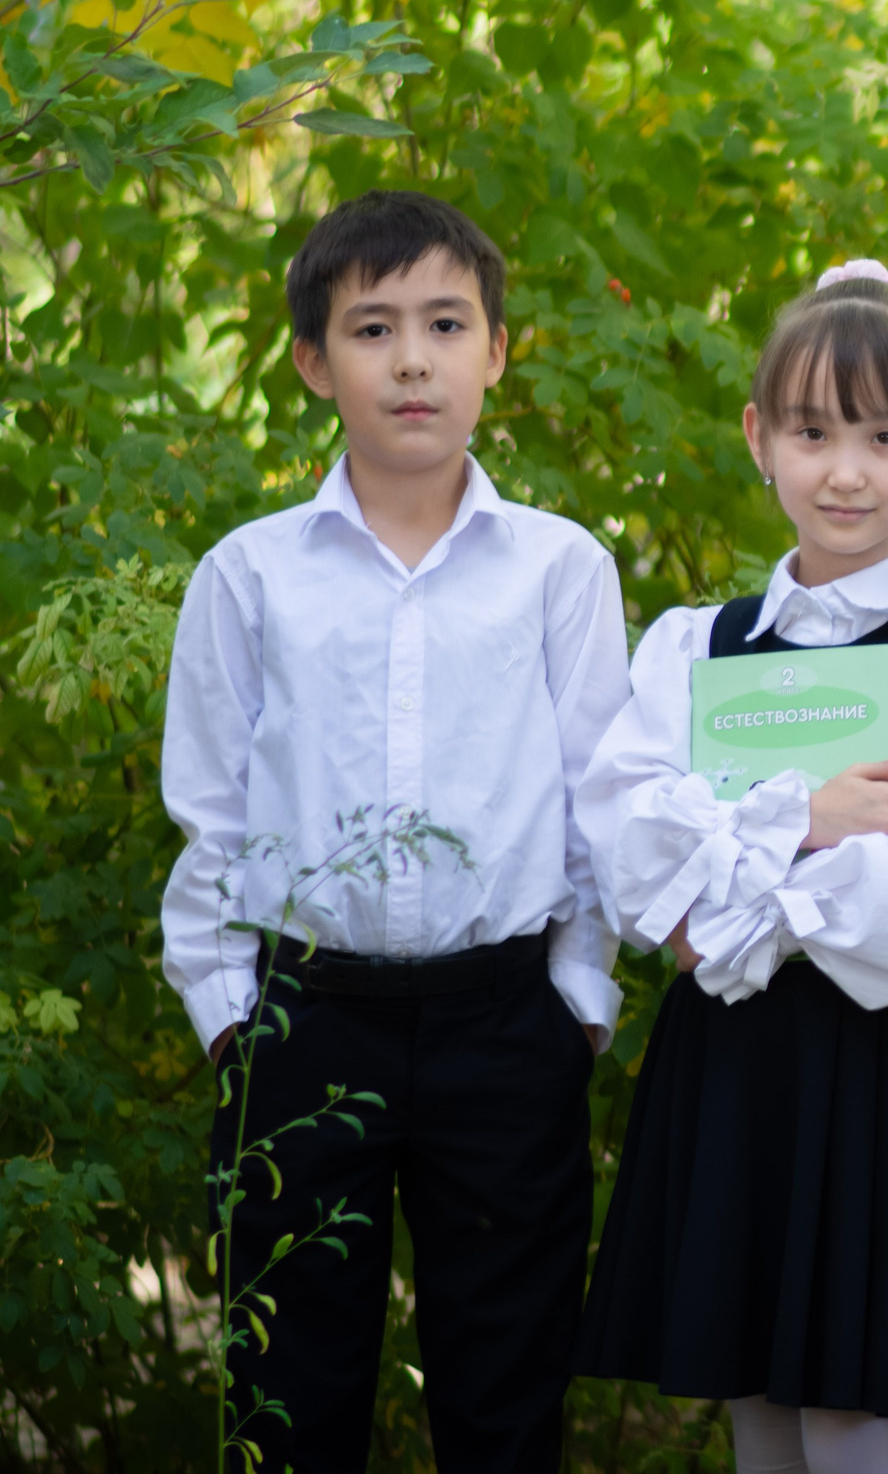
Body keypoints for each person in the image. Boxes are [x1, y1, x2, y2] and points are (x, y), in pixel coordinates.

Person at [160, 190, 630, 1471]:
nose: (412, 360)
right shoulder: (251, 573)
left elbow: (597, 801)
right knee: (290, 1394)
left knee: (507, 1393)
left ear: (496, 352)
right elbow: (210, 811)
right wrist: (228, 1017)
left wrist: (578, 998)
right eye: (372, 329)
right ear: (316, 363)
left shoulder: (561, 569)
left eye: (445, 324)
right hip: (304, 1025)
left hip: (507, 1026)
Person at [572, 261, 888, 1474]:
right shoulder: (694, 646)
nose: (845, 471)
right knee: (757, 1408)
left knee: (849, 1416)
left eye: (884, 436)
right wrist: (806, 819)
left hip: (877, 1063)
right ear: (758, 438)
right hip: (729, 1067)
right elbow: (632, 852)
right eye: (811, 432)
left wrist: (724, 867)